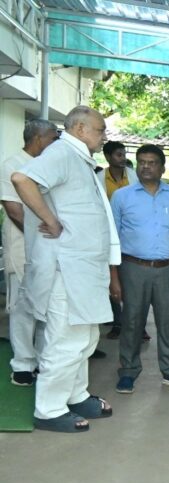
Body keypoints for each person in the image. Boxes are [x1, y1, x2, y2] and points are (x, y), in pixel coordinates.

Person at [11, 106, 120, 433]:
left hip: (83, 270)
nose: (104, 136)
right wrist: (50, 219)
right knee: (65, 342)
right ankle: (50, 409)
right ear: (81, 129)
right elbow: (22, 178)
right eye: (100, 130)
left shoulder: (79, 158)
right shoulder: (61, 152)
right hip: (66, 271)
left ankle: (76, 395)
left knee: (84, 339)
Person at [110, 144, 169, 394]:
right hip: (134, 267)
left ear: (162, 167)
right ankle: (128, 371)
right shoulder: (122, 196)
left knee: (168, 322)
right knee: (132, 321)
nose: (146, 166)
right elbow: (112, 235)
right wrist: (114, 275)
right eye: (141, 162)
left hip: (168, 269)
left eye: (152, 162)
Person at [0, 119, 59, 386]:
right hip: (23, 243)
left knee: (47, 301)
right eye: (51, 138)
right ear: (38, 139)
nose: (54, 144)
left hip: (50, 243)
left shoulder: (50, 164)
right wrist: (40, 233)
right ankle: (23, 363)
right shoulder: (12, 164)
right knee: (23, 305)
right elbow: (14, 209)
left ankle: (44, 359)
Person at [97, 140, 139, 341]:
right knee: (111, 280)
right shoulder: (98, 179)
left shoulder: (133, 177)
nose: (123, 158)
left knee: (132, 280)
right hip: (107, 235)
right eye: (118, 155)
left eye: (124, 154)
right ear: (107, 157)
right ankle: (117, 322)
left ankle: (138, 326)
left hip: (131, 236)